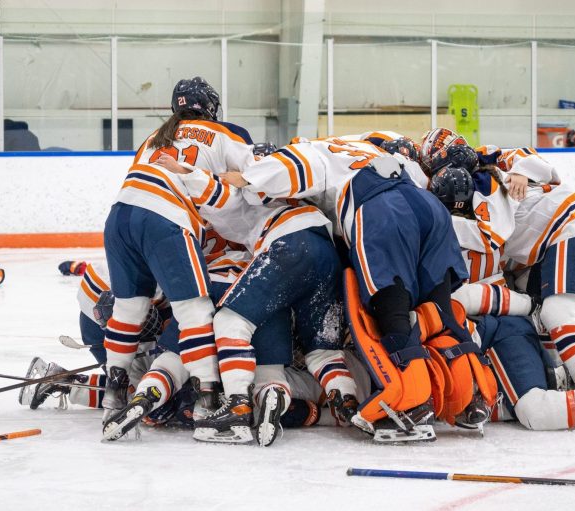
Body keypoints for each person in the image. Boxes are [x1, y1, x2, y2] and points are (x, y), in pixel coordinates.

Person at [216, 138, 481, 442]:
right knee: (437, 312)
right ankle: (469, 398)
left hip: (380, 209)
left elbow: (298, 167)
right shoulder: (370, 147)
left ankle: (413, 407)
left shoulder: (313, 147)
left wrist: (249, 178)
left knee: (390, 309)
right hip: (429, 207)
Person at [156, 150, 357, 447]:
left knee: (229, 320)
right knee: (323, 353)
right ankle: (350, 408)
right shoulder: (306, 190)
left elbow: (214, 190)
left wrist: (182, 170)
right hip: (328, 254)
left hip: (289, 245)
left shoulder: (247, 186)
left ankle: (237, 406)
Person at [100, 76, 255, 426]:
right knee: (195, 309)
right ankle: (207, 395)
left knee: (129, 307)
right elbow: (256, 172)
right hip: (165, 218)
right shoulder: (223, 134)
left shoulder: (153, 139)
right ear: (211, 108)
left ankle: (113, 391)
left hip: (120, 215)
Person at [421, 128, 575, 392]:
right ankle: (563, 371)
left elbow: (490, 237)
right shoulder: (484, 160)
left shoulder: (484, 182)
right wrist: (522, 171)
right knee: (540, 312)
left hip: (567, 231)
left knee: (556, 312)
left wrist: (435, 223)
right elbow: (527, 157)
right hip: (551, 242)